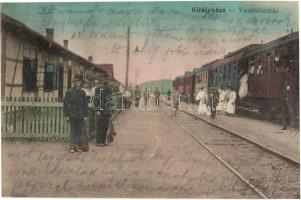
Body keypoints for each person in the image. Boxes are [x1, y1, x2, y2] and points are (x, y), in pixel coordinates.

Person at [63, 74, 88, 153]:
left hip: (80, 115)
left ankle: (78, 147)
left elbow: (85, 105)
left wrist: (85, 115)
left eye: (79, 81)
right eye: (76, 81)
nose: (78, 83)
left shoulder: (83, 92)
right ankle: (72, 147)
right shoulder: (69, 92)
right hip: (72, 114)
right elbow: (66, 104)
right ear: (74, 82)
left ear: (81, 82)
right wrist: (66, 115)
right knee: (73, 131)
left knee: (79, 131)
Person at [94, 76, 113, 146]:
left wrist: (111, 110)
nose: (107, 80)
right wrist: (97, 110)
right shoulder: (98, 88)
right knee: (100, 126)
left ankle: (104, 141)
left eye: (108, 79)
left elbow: (111, 100)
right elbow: (96, 100)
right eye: (106, 79)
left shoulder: (110, 89)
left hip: (107, 111)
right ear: (103, 79)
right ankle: (99, 141)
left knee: (106, 127)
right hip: (101, 110)